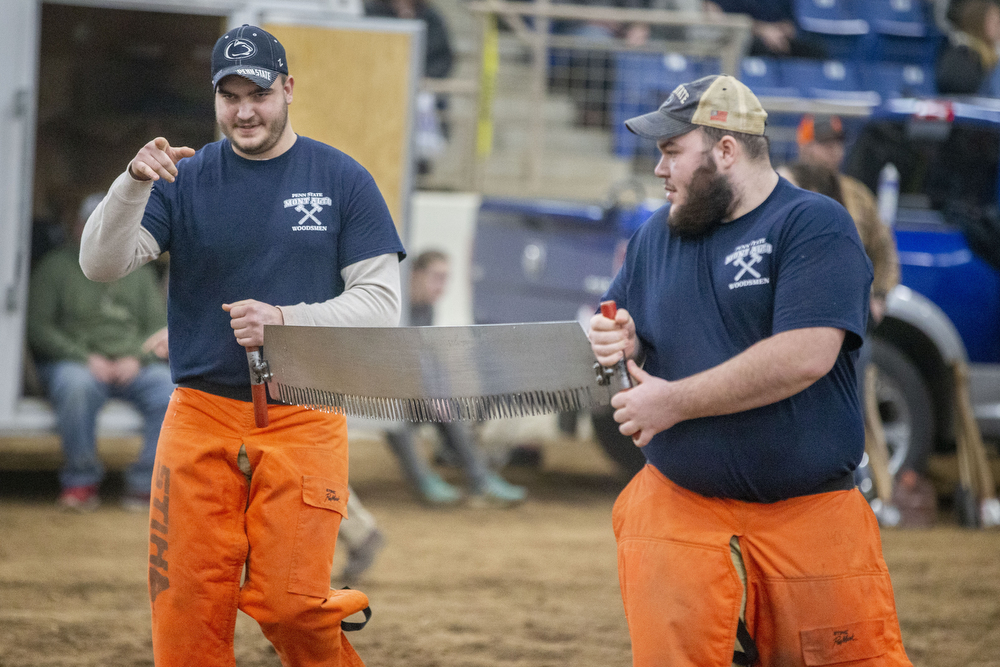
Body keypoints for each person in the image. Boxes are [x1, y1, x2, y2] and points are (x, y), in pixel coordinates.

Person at [79, 25, 405, 667]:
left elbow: (382, 306)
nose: (244, 109)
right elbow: (101, 264)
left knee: (290, 605)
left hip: (305, 414)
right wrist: (130, 185)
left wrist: (286, 319)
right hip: (199, 414)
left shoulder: (342, 178)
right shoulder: (183, 177)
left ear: (288, 89)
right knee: (187, 609)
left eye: (257, 92)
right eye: (228, 95)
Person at [589, 75, 912, 666]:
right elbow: (617, 322)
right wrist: (618, 335)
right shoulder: (654, 237)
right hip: (678, 511)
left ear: (726, 150)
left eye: (671, 152)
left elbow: (807, 352)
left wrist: (673, 402)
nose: (660, 170)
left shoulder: (814, 225)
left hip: (808, 518)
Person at [27, 192, 174, 512]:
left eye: (113, 223)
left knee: (170, 391)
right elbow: (37, 328)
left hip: (131, 364)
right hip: (75, 362)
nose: (105, 230)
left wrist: (137, 357)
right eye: (96, 223)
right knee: (76, 386)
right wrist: (83, 358)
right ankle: (80, 482)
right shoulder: (55, 266)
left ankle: (144, 485)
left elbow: (157, 326)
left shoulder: (141, 269)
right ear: (80, 226)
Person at [383, 250, 527, 506]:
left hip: (413, 394)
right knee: (396, 415)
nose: (442, 286)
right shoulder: (395, 306)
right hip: (384, 396)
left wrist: (439, 394)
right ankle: (423, 482)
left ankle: (480, 479)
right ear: (414, 275)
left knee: (450, 407)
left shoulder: (426, 309)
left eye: (446, 278)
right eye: (437, 277)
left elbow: (428, 359)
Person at [936, 0, 1000, 95]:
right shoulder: (962, 55)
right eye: (996, 22)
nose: (998, 27)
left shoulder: (992, 54)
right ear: (978, 21)